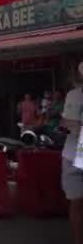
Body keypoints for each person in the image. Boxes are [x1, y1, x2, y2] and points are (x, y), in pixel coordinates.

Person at [60, 85, 83, 244]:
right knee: (77, 201)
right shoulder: (75, 95)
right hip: (77, 149)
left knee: (77, 202)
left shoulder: (74, 95)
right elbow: (68, 125)